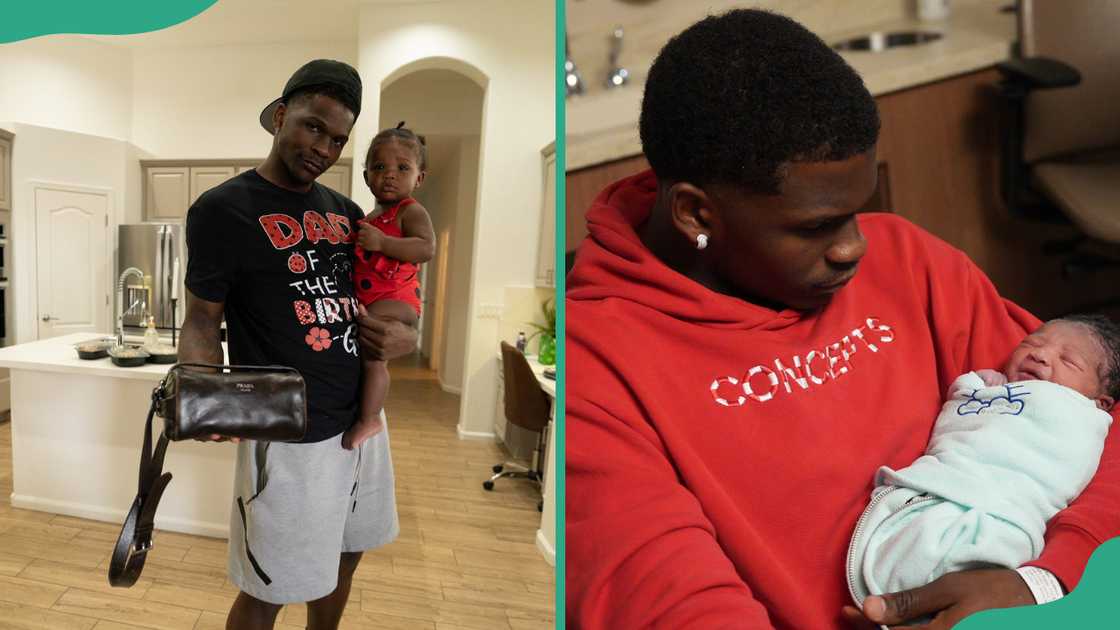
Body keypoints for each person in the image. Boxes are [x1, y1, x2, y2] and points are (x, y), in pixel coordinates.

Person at [565, 9, 1120, 630]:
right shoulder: (597, 364)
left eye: (856, 213)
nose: (855, 247)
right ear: (697, 214)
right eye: (815, 226)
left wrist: (1046, 578)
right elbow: (670, 603)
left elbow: (1093, 425)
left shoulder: (912, 262)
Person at [179, 59, 418, 630]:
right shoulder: (224, 208)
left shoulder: (347, 213)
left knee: (344, 555)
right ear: (281, 116)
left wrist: (406, 334)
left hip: (362, 423)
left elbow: (393, 292)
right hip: (289, 431)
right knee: (272, 584)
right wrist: (201, 394)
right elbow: (202, 319)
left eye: (338, 139)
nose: (323, 148)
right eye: (314, 126)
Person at [850, 315, 1119, 610]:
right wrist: (981, 384)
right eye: (1032, 343)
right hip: (939, 487)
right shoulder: (991, 388)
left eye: (1068, 361)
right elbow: (966, 403)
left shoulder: (1085, 414)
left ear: (1101, 403)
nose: (1039, 355)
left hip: (1007, 513)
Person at [343, 122, 435, 450]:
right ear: (367, 176)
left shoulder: (411, 212)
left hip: (395, 297)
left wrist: (382, 243)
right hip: (376, 295)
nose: (390, 174)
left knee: (372, 357)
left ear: (419, 178)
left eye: (402, 167)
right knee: (364, 354)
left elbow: (426, 248)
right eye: (379, 167)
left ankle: (370, 419)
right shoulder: (370, 216)